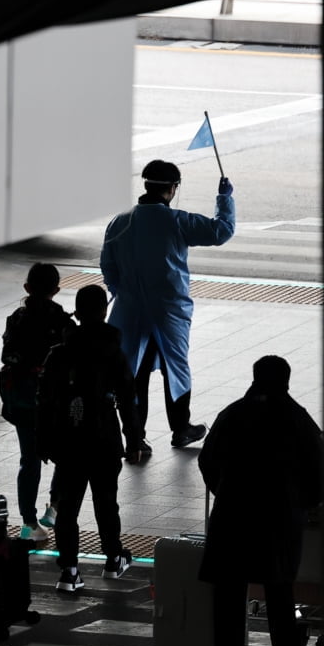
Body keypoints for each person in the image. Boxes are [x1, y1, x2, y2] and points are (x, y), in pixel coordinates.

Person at [197, 355, 323, 646]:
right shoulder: (297, 418)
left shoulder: (232, 414)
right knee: (279, 587)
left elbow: (207, 460)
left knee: (229, 592)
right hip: (278, 519)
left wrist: (224, 490)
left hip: (232, 516)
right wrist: (302, 504)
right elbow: (320, 470)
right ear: (286, 379)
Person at [99, 159, 235, 458]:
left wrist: (122, 291)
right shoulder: (177, 221)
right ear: (173, 189)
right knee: (176, 368)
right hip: (168, 311)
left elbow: (107, 266)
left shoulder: (119, 222)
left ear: (146, 185)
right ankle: (181, 428)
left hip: (129, 311)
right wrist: (224, 199)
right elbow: (221, 231)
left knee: (133, 374)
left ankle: (136, 438)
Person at [36, 284, 139, 592]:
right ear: (104, 312)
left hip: (69, 442)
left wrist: (43, 441)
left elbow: (45, 401)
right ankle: (113, 559)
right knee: (106, 501)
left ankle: (69, 570)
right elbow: (128, 399)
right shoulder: (114, 353)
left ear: (77, 313)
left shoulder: (59, 354)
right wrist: (133, 440)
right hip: (104, 440)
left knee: (67, 507)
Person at [0, 262, 76, 541]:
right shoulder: (65, 323)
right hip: (55, 402)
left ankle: (29, 522)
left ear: (27, 288)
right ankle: (54, 507)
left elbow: (7, 357)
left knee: (28, 459)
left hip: (22, 400)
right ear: (56, 289)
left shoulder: (16, 319)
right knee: (65, 456)